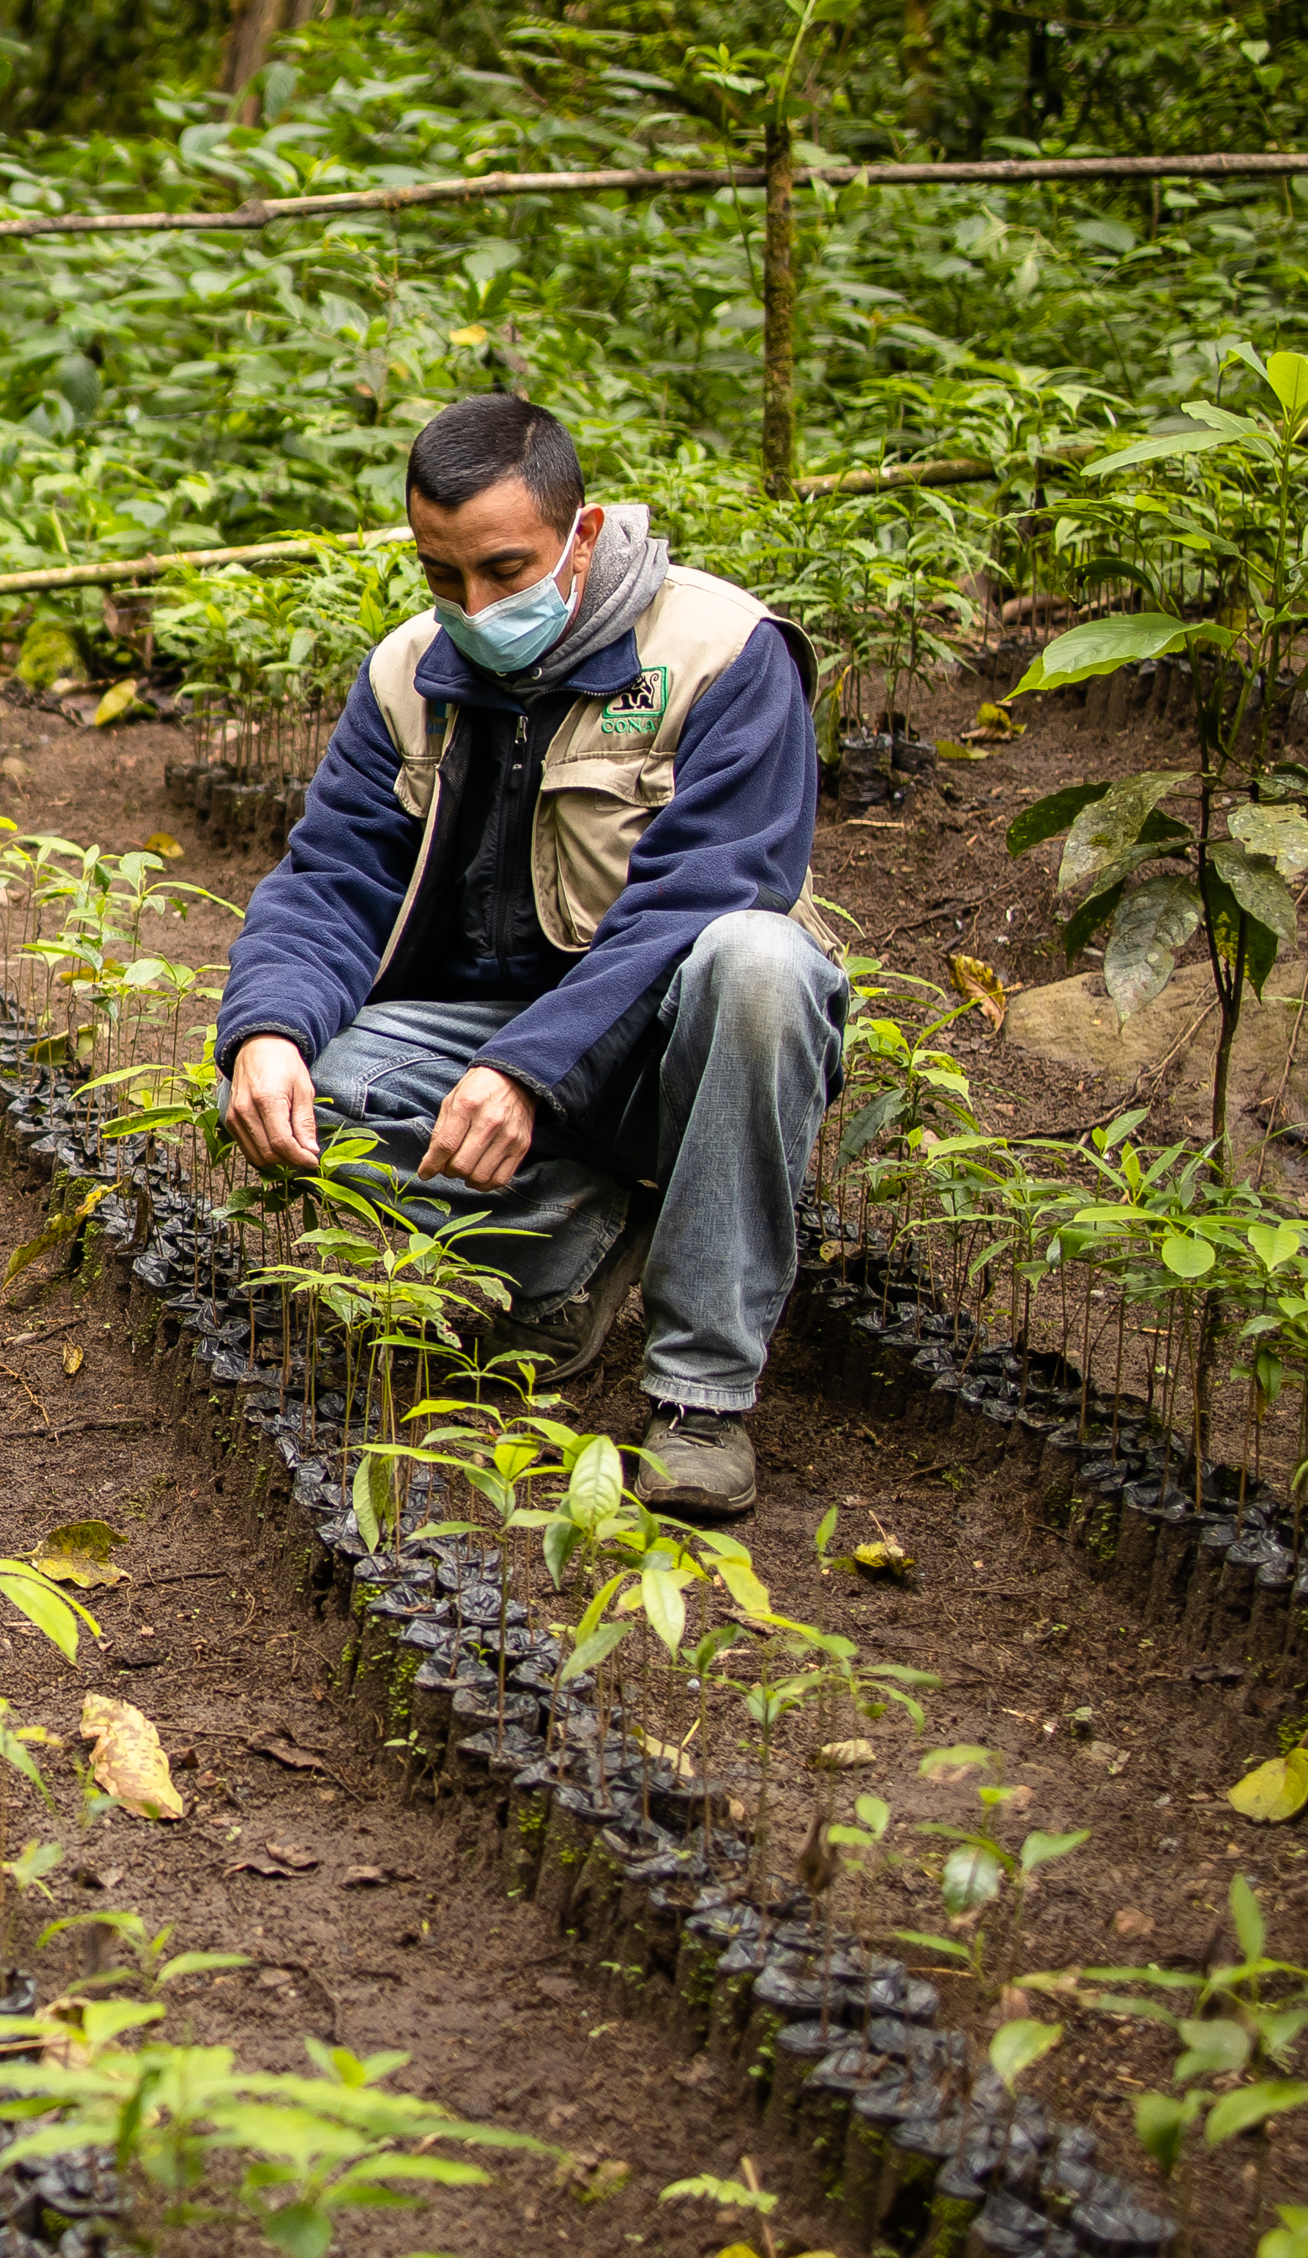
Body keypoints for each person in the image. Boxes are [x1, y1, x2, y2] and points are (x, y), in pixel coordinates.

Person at [211, 394, 842, 1516]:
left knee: (759, 963)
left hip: (666, 1052)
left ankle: (700, 1393)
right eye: (440, 576)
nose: (473, 606)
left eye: (504, 570)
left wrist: (525, 1069)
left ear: (583, 532)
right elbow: (329, 880)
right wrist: (262, 1033)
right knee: (322, 1086)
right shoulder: (408, 674)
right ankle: (569, 1255)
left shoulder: (720, 653)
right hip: (497, 1042)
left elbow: (703, 895)